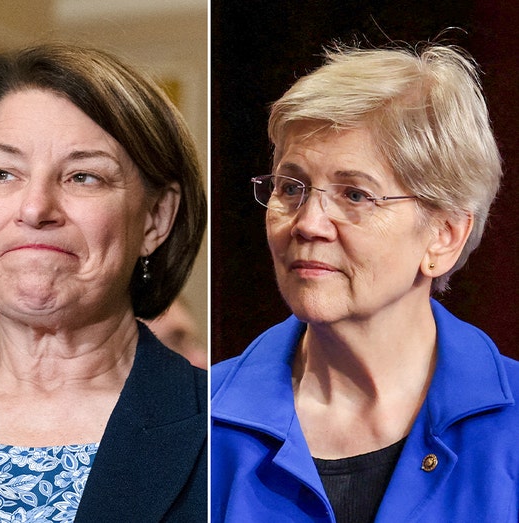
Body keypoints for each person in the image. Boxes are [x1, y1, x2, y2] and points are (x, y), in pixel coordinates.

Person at [211, 43, 517, 521]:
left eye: (355, 194)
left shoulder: (511, 428)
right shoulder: (196, 422)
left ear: (443, 236)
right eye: (291, 188)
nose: (309, 223)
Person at [0, 44, 207, 521]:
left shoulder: (224, 428)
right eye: (3, 173)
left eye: (83, 176)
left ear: (155, 218)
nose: (34, 208)